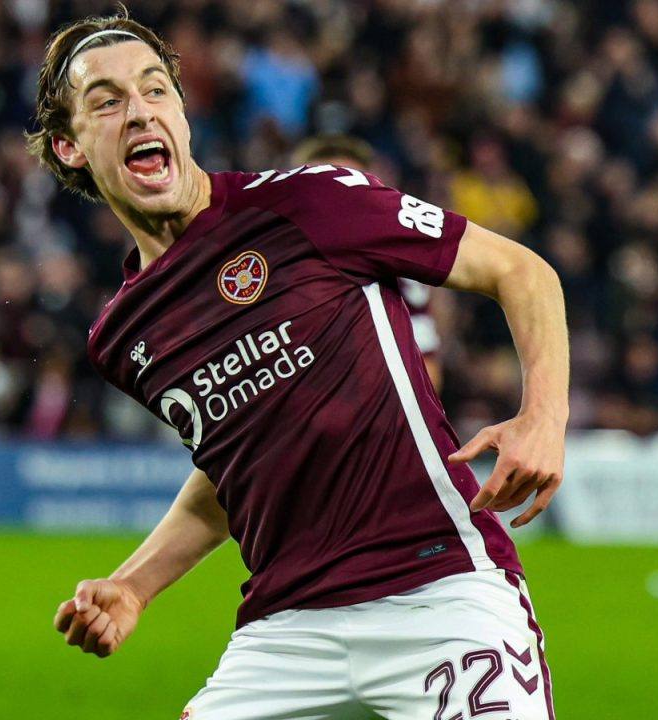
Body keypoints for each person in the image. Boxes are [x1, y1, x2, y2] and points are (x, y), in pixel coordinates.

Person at [30, 13, 568, 719]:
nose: (139, 112)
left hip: (440, 592)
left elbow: (520, 271)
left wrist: (543, 418)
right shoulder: (121, 337)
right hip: (285, 635)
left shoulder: (309, 203)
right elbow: (234, 468)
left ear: (183, 117)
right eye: (107, 100)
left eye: (156, 90)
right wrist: (134, 586)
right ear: (69, 147)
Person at [291, 134, 445, 391]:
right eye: (323, 187)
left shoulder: (399, 269)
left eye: (350, 187)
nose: (339, 202)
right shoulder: (271, 266)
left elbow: (428, 372)